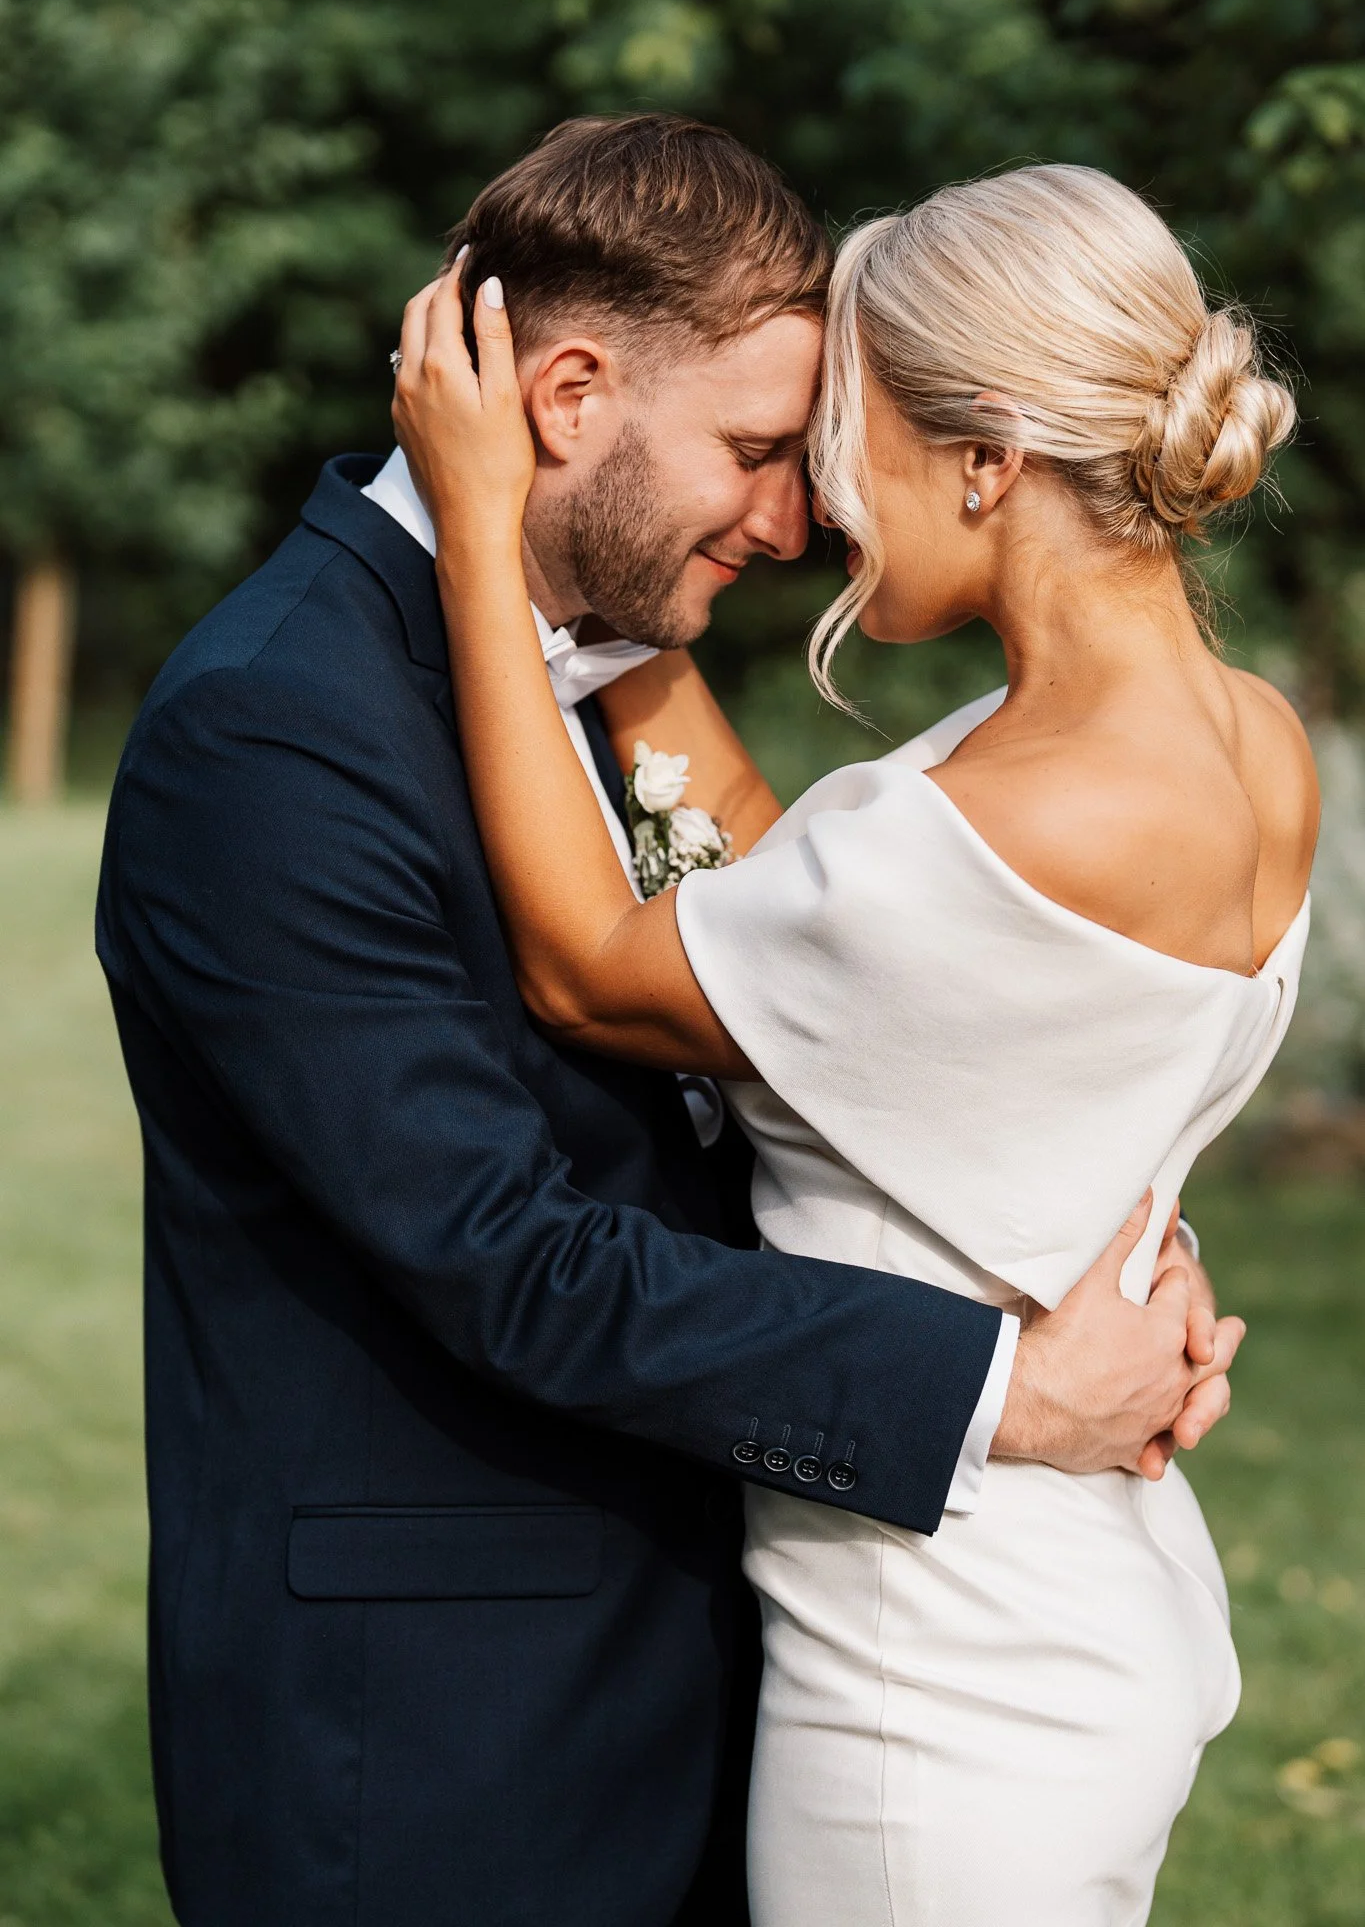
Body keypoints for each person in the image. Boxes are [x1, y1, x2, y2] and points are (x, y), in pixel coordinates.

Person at [97, 117, 1236, 1927]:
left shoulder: (609, 665)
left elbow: (827, 1035)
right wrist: (1004, 1394)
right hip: (447, 1753)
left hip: (732, 1663)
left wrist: (1069, 1224)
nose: (796, 523)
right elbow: (504, 1254)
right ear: (565, 397)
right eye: (759, 453)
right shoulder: (275, 729)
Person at [391, 155, 1316, 1925]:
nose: (814, 495)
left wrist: (490, 535)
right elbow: (792, 905)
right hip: (1082, 1605)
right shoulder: (1240, 740)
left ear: (989, 459)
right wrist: (644, 613)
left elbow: (595, 966)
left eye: (842, 431)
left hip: (939, 1683)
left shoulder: (1030, 811)